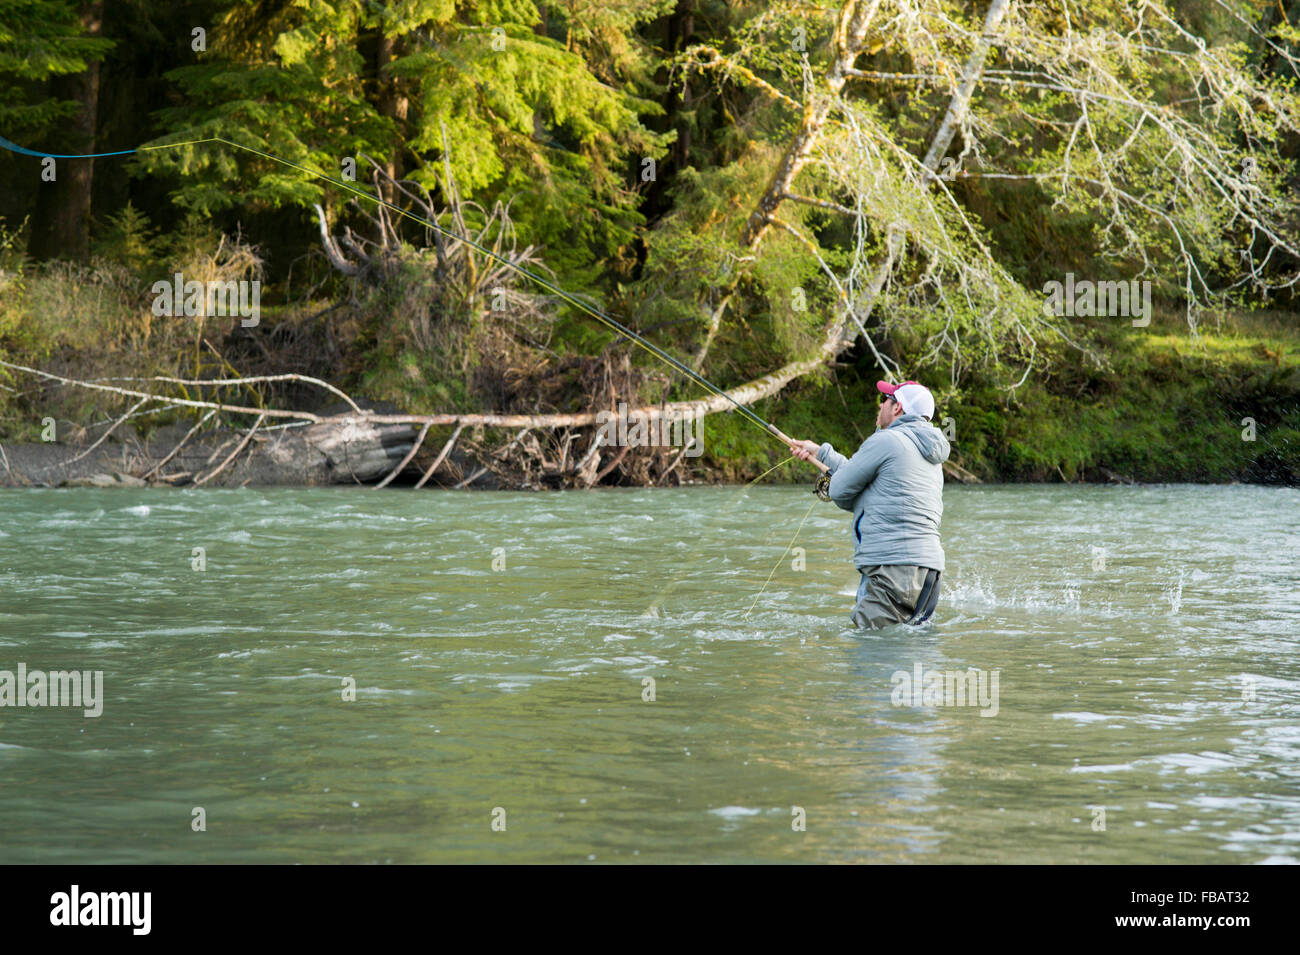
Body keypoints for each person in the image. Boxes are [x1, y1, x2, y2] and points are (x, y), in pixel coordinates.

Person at [790, 380, 950, 629]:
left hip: (891, 569)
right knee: (908, 655)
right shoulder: (929, 454)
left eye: (885, 399)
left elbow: (841, 490)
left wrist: (832, 478)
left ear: (897, 408)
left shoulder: (886, 440)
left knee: (872, 658)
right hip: (929, 572)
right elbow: (869, 483)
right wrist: (820, 452)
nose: (880, 404)